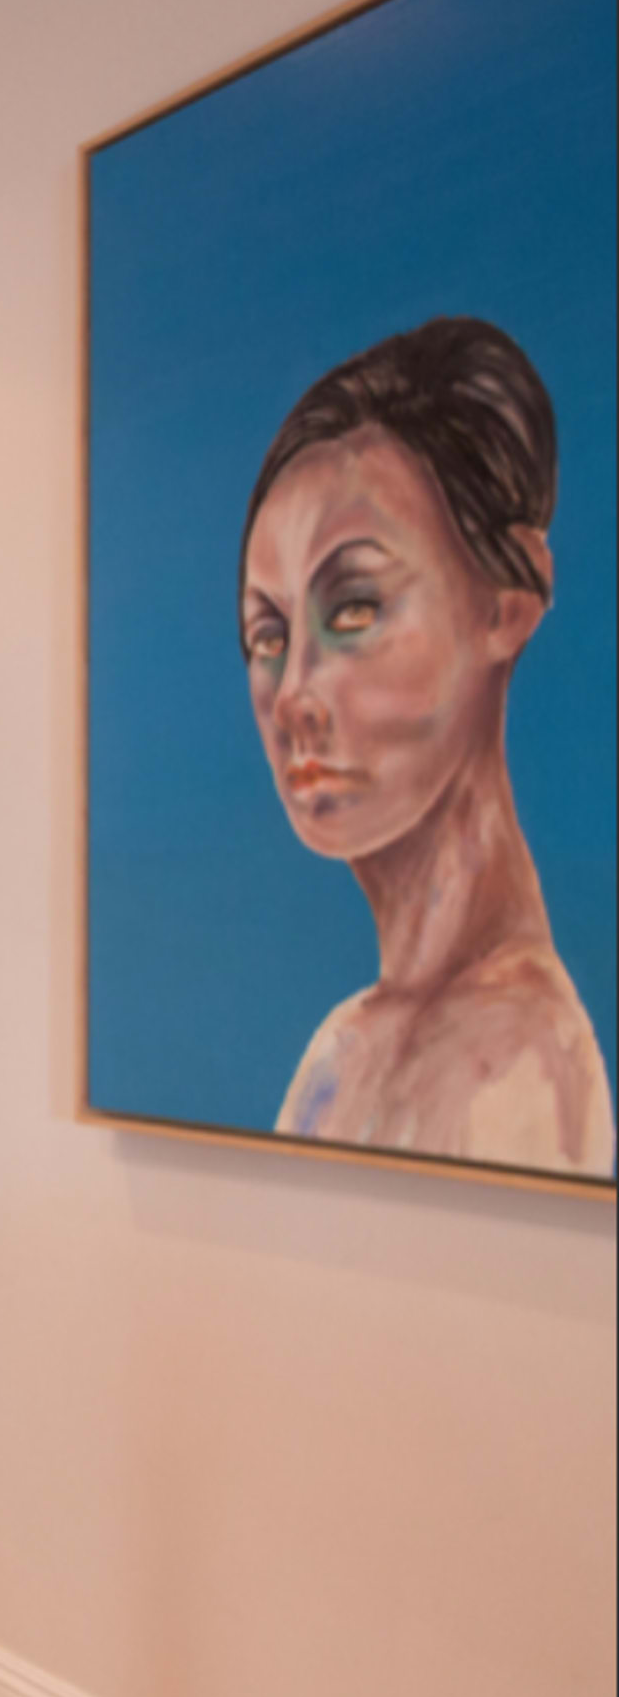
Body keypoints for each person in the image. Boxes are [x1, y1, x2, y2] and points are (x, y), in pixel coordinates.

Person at [240, 316, 610, 1173]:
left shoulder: (523, 1056)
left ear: (506, 603)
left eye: (356, 609)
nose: (294, 692)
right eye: (267, 634)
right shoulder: (343, 1047)